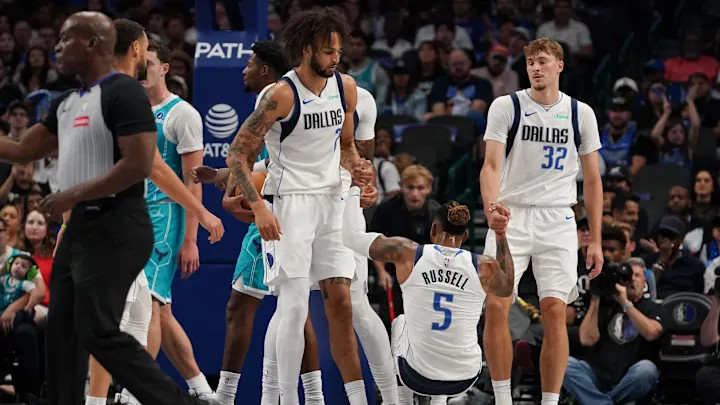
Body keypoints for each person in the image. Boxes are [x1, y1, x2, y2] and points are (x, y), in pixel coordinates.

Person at [0, 11, 208, 405]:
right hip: (80, 228)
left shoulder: (125, 93)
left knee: (102, 330)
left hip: (120, 225)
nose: (57, 47)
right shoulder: (68, 102)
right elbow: (23, 149)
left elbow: (141, 164)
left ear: (93, 44)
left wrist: (71, 195)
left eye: (67, 39)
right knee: (63, 331)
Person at [224, 7, 374, 405]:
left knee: (343, 300)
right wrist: (259, 208)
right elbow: (237, 154)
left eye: (338, 51)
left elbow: (346, 147)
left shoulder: (346, 87)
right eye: (328, 51)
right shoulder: (280, 95)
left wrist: (358, 168)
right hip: (291, 205)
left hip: (332, 203)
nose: (335, 58)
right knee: (292, 307)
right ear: (306, 49)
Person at [83, 20, 224, 405]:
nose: (141, 68)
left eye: (148, 63)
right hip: (124, 216)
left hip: (164, 218)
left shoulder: (183, 115)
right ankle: (202, 389)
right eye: (138, 61)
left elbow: (191, 179)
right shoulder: (125, 107)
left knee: (152, 305)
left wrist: (191, 237)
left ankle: (132, 393)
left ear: (164, 68)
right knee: (155, 310)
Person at [192, 40, 327, 405]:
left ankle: (226, 397)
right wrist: (222, 176)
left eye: (250, 64)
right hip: (297, 211)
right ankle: (312, 397)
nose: (244, 69)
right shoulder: (298, 97)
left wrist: (240, 198)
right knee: (294, 308)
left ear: (266, 70)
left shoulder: (272, 96)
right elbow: (269, 164)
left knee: (250, 307)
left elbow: (256, 164)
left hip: (276, 215)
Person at [480, 37, 604, 405]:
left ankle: (549, 402)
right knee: (496, 305)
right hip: (511, 214)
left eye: (543, 61)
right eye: (531, 62)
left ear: (559, 66)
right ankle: (502, 399)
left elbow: (593, 180)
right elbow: (490, 165)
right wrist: (491, 208)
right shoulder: (507, 106)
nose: (536, 67)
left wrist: (596, 240)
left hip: (557, 217)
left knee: (555, 312)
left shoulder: (581, 113)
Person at [342, 187, 515, 405]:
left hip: (417, 376)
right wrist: (501, 235)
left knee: (400, 321)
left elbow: (350, 237)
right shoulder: (484, 266)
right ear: (465, 236)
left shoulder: (407, 253)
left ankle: (401, 401)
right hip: (464, 377)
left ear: (433, 229)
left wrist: (354, 189)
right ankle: (439, 402)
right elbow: (507, 287)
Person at [563, 262, 663, 404]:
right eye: (627, 276)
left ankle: (597, 401)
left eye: (637, 275)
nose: (632, 279)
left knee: (647, 369)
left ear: (644, 282)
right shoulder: (607, 305)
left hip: (631, 376)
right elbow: (586, 339)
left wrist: (625, 303)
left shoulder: (653, 307)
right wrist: (595, 298)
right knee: (564, 364)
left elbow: (652, 333)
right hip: (599, 374)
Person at [0, 252, 43, 404]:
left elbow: (37, 293)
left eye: (23, 266)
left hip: (20, 315)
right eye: (16, 264)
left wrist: (28, 307)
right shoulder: (4, 279)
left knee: (24, 330)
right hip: (2, 312)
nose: (18, 267)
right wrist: (3, 268)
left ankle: (29, 391)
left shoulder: (25, 284)